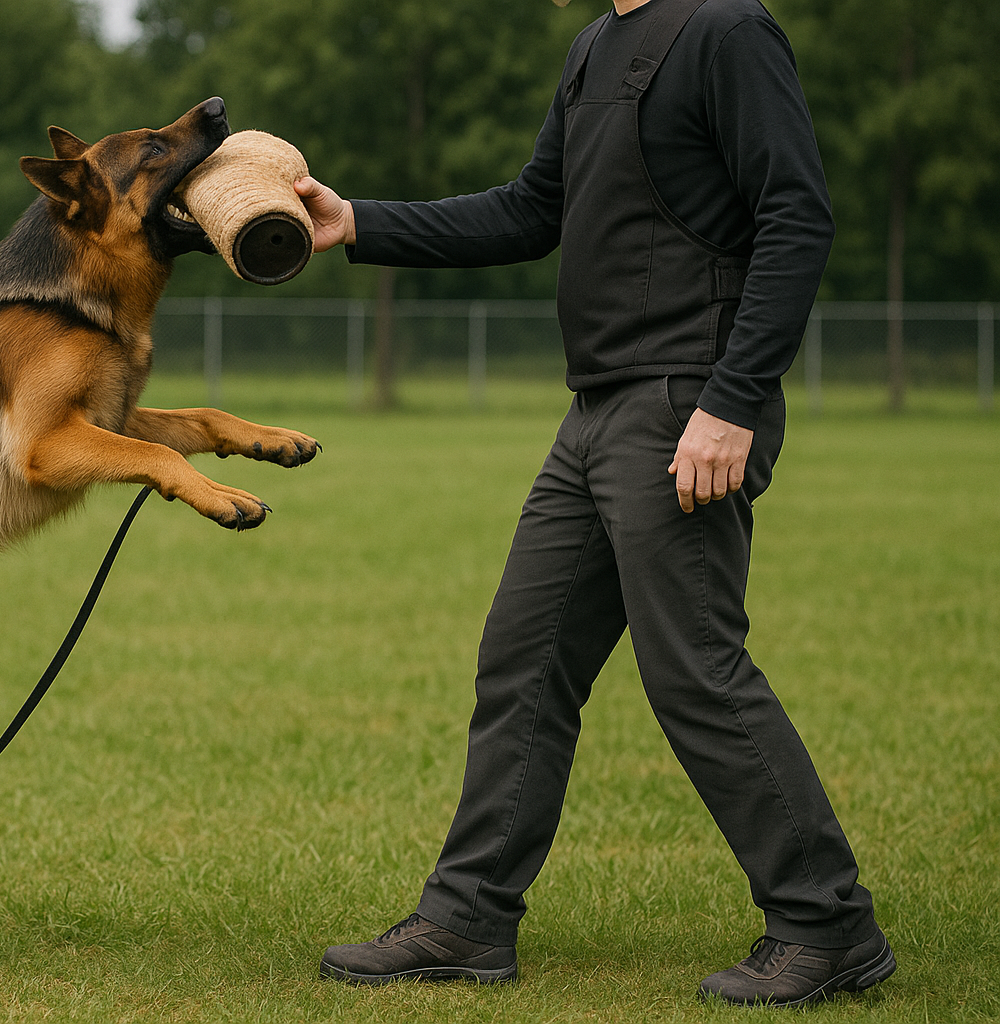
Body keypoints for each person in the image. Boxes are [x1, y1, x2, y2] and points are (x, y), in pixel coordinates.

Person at [294, 0, 895, 1007]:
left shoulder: (727, 31)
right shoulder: (597, 47)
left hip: (683, 404)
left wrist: (732, 401)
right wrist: (361, 222)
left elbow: (798, 212)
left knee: (695, 669)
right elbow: (535, 208)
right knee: (523, 659)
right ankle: (469, 915)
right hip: (598, 412)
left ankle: (828, 922)